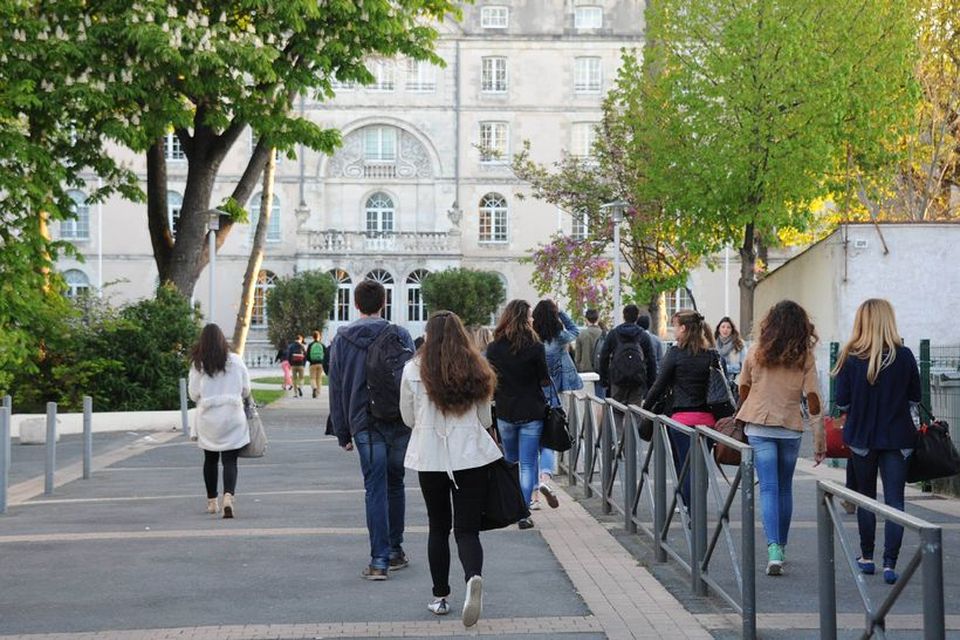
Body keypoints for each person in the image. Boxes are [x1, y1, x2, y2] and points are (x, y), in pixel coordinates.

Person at [400, 311, 501, 626]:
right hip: (469, 455)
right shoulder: (477, 367)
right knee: (467, 529)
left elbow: (407, 416)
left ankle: (440, 596)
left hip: (430, 457)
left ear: (428, 335)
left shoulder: (413, 370)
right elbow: (485, 420)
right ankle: (473, 577)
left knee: (438, 526)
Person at [328, 280, 416, 580]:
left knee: (374, 488)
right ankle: (395, 550)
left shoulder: (342, 340)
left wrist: (342, 432)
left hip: (364, 422)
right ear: (384, 304)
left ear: (356, 305)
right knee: (396, 484)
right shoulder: (400, 334)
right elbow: (412, 381)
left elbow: (337, 388)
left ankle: (378, 561)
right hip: (398, 419)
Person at [832, 298, 921, 585]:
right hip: (898, 437)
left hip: (862, 438)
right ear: (889, 320)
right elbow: (915, 397)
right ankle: (890, 564)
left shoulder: (850, 356)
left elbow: (842, 401)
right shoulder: (904, 355)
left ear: (861, 321)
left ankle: (867, 557)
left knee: (866, 498)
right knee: (895, 501)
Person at [736, 301, 823, 576]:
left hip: (759, 427)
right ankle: (781, 547)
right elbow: (814, 400)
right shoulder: (805, 356)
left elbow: (743, 387)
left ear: (769, 323)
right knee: (785, 489)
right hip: (790, 426)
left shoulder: (757, 351)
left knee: (769, 489)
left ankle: (773, 548)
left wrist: (749, 405)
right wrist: (819, 441)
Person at [485, 299, 549, 530]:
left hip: (505, 411)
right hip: (531, 410)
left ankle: (512, 507)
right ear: (525, 319)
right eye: (530, 316)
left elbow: (489, 379)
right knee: (528, 465)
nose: (533, 319)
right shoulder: (536, 346)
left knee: (511, 462)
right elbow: (544, 378)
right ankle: (523, 511)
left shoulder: (494, 348)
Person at [641, 309, 714, 508]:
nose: (673, 330)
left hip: (681, 419)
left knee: (684, 465)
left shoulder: (675, 354)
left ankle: (691, 510)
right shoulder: (711, 355)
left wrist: (645, 408)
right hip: (708, 420)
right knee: (702, 467)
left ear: (683, 328)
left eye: (675, 326)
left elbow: (659, 385)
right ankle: (698, 507)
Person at [188, 324, 251, 519]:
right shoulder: (235, 361)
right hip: (232, 416)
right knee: (230, 460)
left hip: (209, 418)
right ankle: (228, 497)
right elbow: (246, 389)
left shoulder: (199, 364)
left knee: (210, 459)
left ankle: (212, 501)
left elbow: (193, 393)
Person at [532, 299, 582, 510]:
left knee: (532, 444)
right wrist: (561, 312)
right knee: (549, 439)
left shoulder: (532, 340)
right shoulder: (559, 338)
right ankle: (545, 478)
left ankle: (533, 496)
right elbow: (575, 330)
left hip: (534, 396)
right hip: (554, 395)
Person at [598, 304, 657, 408]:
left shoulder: (614, 334)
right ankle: (633, 425)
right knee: (635, 413)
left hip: (617, 379)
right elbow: (652, 360)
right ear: (637, 316)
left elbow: (604, 357)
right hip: (637, 380)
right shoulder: (643, 335)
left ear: (623, 316)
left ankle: (617, 425)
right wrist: (650, 382)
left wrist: (605, 380)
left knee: (616, 412)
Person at [715, 316, 746, 391]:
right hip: (718, 384)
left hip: (734, 382)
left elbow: (744, 365)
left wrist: (726, 368)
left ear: (732, 329)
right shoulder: (714, 344)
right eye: (723, 327)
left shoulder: (739, 344)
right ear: (719, 329)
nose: (725, 329)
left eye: (728, 327)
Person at [574, 308, 604, 374]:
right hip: (601, 370)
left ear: (586, 319)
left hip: (585, 370)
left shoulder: (581, 334)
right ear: (598, 319)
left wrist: (579, 367)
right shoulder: (604, 334)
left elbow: (577, 357)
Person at [306, 330, 327, 399]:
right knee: (319, 378)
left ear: (313, 337)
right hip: (320, 364)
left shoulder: (310, 345)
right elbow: (326, 354)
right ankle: (317, 393)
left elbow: (307, 355)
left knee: (312, 378)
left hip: (312, 364)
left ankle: (314, 388)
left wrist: (311, 360)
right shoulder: (322, 345)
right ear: (319, 337)